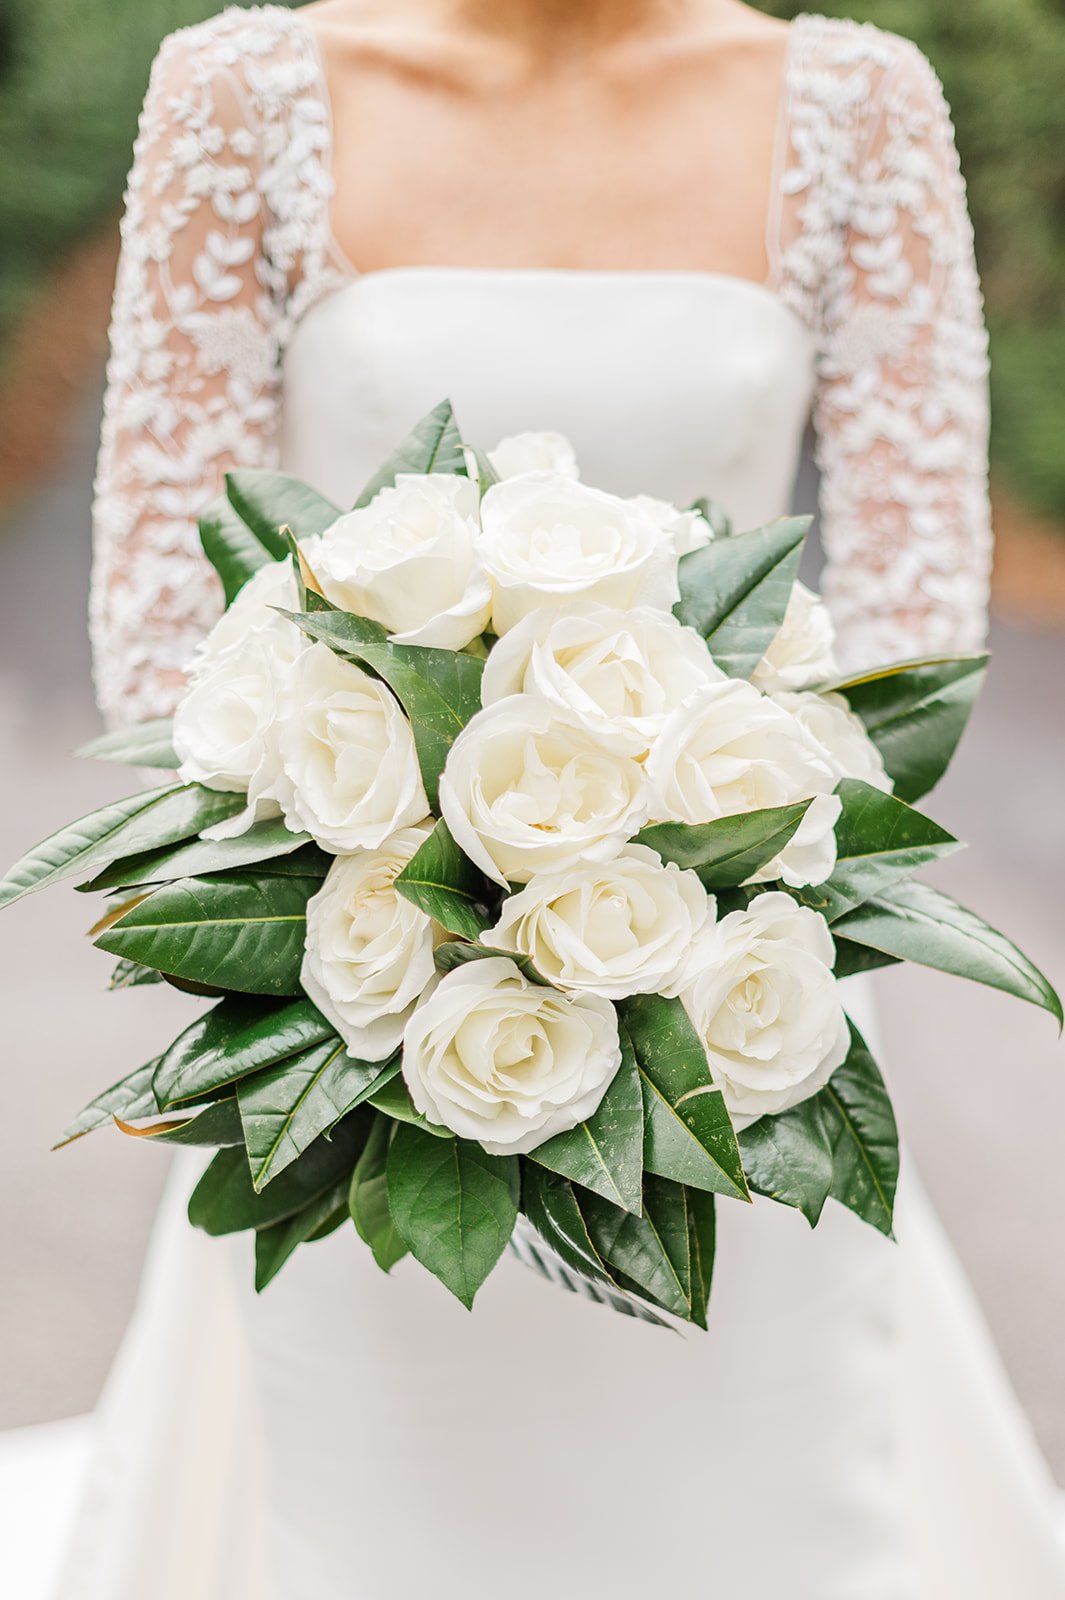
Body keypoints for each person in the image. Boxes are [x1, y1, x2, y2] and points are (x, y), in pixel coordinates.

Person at [63, 1, 1064, 1595]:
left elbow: (910, 625)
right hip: (363, 982)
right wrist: (393, 919)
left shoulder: (855, 105)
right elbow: (162, 624)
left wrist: (694, 897)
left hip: (731, 1003)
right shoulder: (242, 92)